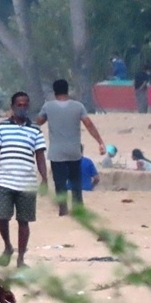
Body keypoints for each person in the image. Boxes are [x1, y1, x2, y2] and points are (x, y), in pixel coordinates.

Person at [0, 91, 47, 268]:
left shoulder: (35, 129)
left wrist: (44, 178)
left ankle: (20, 258)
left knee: (24, 221)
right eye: (18, 104)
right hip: (5, 180)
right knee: (2, 217)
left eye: (25, 104)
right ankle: (7, 246)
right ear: (12, 107)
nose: (22, 107)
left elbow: (40, 156)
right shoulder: (2, 127)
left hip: (27, 182)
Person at [35, 79, 106, 217]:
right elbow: (89, 124)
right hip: (74, 151)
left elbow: (39, 122)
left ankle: (63, 209)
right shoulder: (78, 106)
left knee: (59, 182)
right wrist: (100, 142)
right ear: (67, 90)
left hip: (56, 152)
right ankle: (78, 208)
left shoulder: (48, 106)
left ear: (54, 92)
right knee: (75, 181)